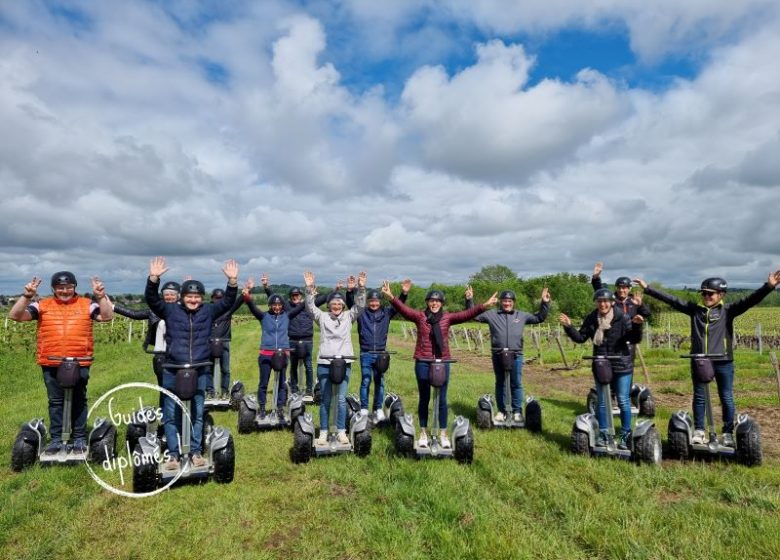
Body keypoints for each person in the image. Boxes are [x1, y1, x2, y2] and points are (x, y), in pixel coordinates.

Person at [635, 271, 780, 446]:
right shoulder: (695, 311)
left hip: (723, 360)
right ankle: (699, 430)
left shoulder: (728, 311)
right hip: (700, 360)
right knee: (700, 396)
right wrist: (648, 289)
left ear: (721, 295)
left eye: (710, 293)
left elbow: (750, 300)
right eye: (703, 293)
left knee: (726, 396)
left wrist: (769, 287)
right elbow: (672, 300)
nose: (706, 296)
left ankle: (727, 433)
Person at [145, 256, 239, 471]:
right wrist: (153, 279)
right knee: (170, 414)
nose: (193, 300)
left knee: (197, 412)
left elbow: (227, 303)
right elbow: (151, 299)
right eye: (189, 296)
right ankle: (174, 455)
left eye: (197, 297)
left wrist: (232, 283)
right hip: (172, 368)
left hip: (199, 368)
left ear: (201, 298)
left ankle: (196, 452)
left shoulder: (207, 311)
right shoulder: (170, 310)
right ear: (182, 297)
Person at [382, 281, 497, 449]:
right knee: (424, 398)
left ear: (442, 303)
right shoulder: (420, 316)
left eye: (437, 301)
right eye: (431, 300)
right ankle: (423, 433)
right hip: (423, 361)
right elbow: (403, 310)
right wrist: (392, 297)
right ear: (427, 302)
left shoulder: (448, 317)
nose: (434, 303)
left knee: (442, 399)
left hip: (442, 362)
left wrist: (484, 305)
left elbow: (467, 314)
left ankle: (443, 433)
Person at [9, 272, 114, 454]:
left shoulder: (87, 304)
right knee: (56, 401)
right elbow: (15, 315)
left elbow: (107, 316)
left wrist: (100, 296)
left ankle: (80, 438)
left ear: (74, 287)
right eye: (60, 288)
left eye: (68, 287)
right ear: (53, 289)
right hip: (51, 360)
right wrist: (27, 296)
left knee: (79, 400)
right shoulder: (42, 305)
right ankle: (56, 439)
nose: (64, 291)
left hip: (80, 361)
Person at [559, 289, 644, 449]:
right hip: (601, 364)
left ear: (612, 302)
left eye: (606, 301)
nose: (603, 304)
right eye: (599, 301)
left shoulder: (622, 317)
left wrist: (637, 326)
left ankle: (625, 436)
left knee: (623, 400)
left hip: (621, 364)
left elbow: (633, 338)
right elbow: (580, 338)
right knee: (602, 402)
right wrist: (569, 327)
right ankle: (604, 434)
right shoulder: (592, 318)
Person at [466, 286, 550, 423]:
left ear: (513, 302)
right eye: (504, 301)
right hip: (498, 354)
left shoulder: (521, 315)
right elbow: (473, 315)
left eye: (509, 301)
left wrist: (545, 303)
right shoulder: (492, 314)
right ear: (501, 302)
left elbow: (539, 318)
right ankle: (501, 411)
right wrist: (469, 300)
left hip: (516, 354)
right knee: (500, 383)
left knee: (516, 383)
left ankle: (517, 411)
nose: (507, 303)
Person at [261, 274, 352, 397]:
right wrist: (266, 287)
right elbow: (273, 296)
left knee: (308, 366)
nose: (295, 297)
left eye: (297, 295)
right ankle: (294, 388)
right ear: (290, 297)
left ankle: (309, 390)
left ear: (301, 295)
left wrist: (335, 289)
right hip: (292, 339)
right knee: (293, 366)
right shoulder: (287, 306)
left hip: (307, 339)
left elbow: (325, 298)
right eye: (293, 296)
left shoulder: (308, 305)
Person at [303, 271, 366, 445]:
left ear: (343, 305)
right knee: (325, 398)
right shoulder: (322, 317)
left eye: (339, 303)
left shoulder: (348, 316)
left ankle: (341, 431)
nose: (336, 306)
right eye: (333, 303)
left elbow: (360, 306)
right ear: (329, 305)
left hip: (344, 362)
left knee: (340, 399)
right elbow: (309, 308)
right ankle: (323, 431)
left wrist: (361, 288)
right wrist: (309, 289)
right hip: (325, 362)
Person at [242, 278, 305, 418]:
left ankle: (280, 407)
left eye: (279, 305)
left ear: (282, 305)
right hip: (266, 354)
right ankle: (263, 407)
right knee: (264, 382)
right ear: (270, 305)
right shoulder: (263, 316)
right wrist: (247, 294)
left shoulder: (287, 316)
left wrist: (310, 292)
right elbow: (252, 306)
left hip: (282, 353)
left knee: (282, 383)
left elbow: (302, 306)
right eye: (274, 305)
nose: (277, 307)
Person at [113, 281, 180, 407]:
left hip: (179, 356)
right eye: (166, 294)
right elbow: (134, 314)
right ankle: (165, 418)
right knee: (164, 389)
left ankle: (181, 417)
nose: (169, 296)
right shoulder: (154, 311)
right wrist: (113, 307)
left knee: (181, 389)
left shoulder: (184, 311)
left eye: (172, 294)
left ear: (178, 296)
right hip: (161, 356)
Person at [356, 280, 410, 421]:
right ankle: (364, 408)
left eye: (376, 301)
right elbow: (351, 301)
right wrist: (359, 288)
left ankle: (378, 409)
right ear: (367, 302)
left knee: (380, 382)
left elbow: (398, 307)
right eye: (371, 301)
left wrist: (403, 293)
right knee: (366, 381)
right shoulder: (361, 314)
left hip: (381, 354)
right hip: (366, 353)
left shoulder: (386, 313)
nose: (374, 303)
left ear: (380, 301)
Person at [206, 287, 244, 398]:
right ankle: (210, 391)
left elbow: (238, 302)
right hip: (209, 343)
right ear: (212, 298)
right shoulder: (208, 310)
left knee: (225, 369)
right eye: (216, 298)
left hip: (224, 342)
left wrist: (245, 292)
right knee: (208, 369)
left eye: (220, 298)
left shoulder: (228, 309)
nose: (218, 300)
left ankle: (224, 391)